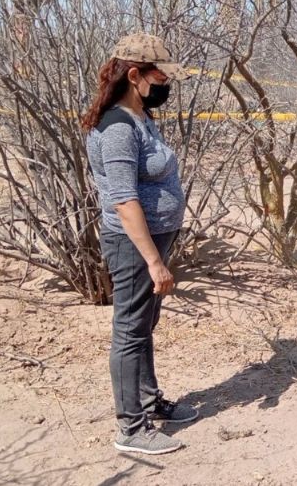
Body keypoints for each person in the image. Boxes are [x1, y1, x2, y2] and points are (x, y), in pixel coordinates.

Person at [82, 33, 198, 455]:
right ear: (135, 75)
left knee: (144, 326)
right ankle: (131, 428)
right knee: (130, 331)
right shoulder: (115, 128)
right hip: (134, 244)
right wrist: (153, 260)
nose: (166, 84)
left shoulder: (140, 118)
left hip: (155, 238)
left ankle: (151, 403)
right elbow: (124, 199)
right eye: (161, 76)